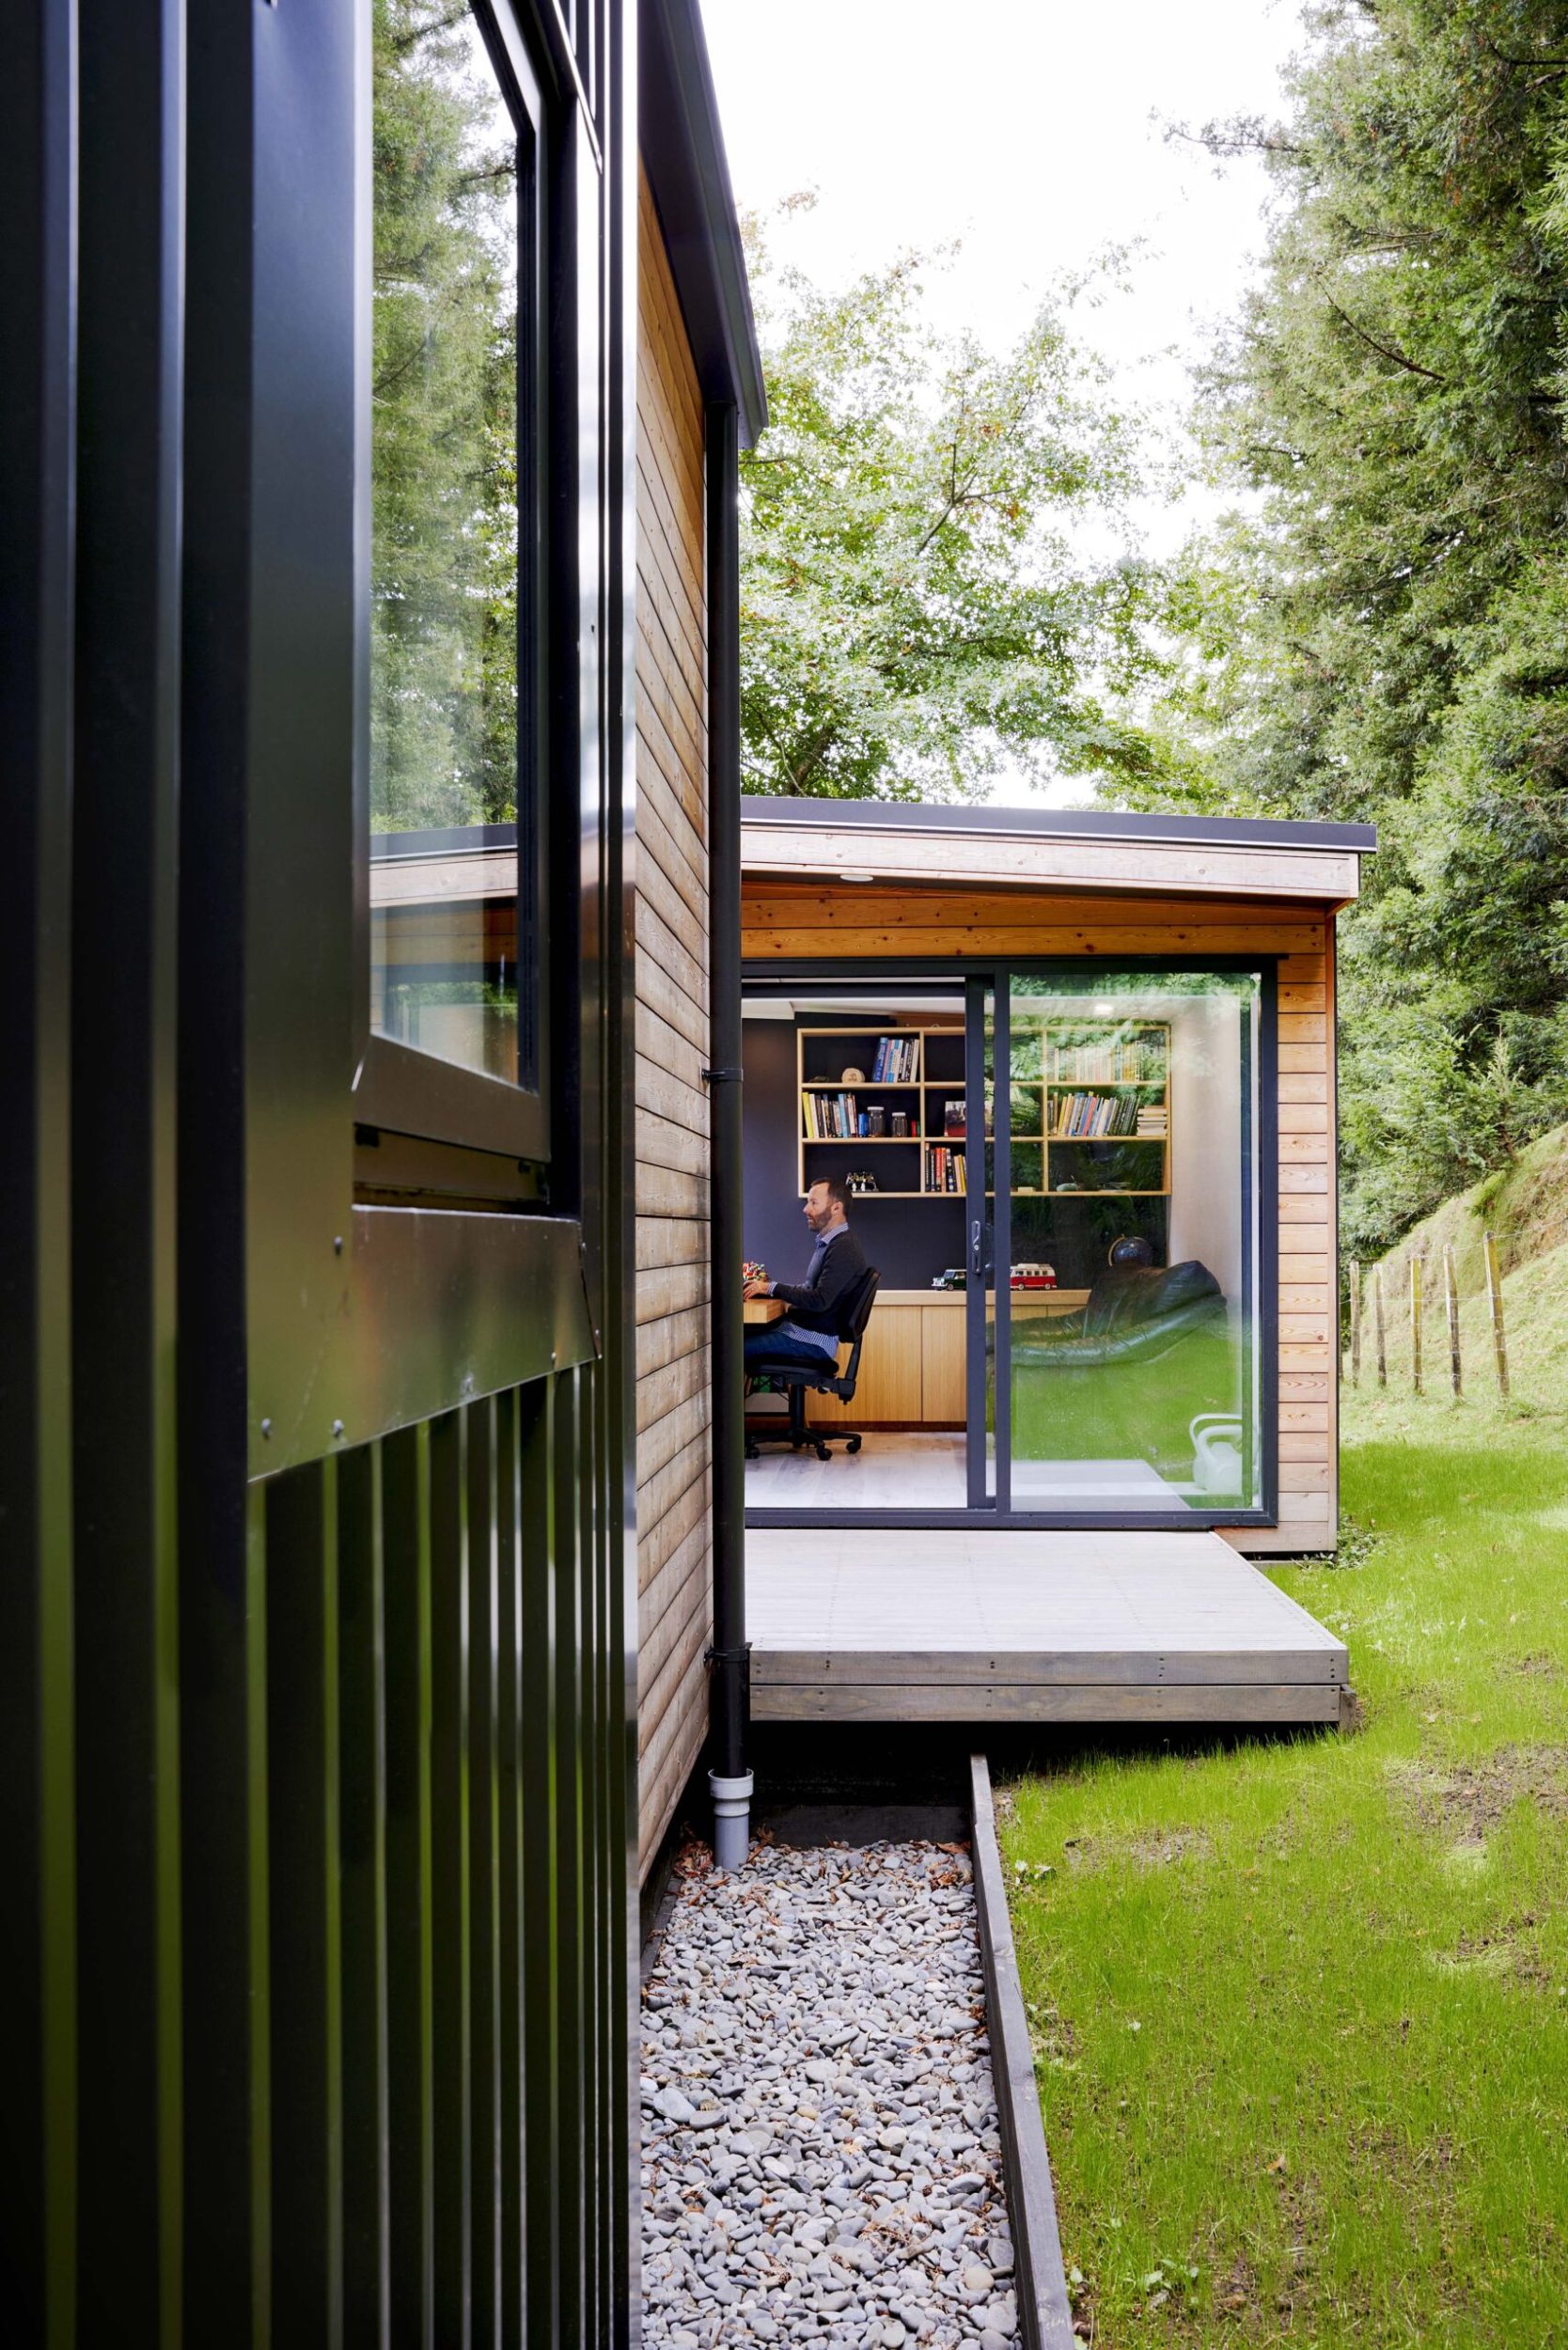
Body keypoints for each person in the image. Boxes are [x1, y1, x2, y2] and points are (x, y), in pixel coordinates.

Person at [743, 1176, 867, 1380]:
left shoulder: (844, 1247)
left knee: (729, 1350)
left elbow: (819, 1300)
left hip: (811, 1341)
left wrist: (770, 1288)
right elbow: (810, 1290)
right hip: (803, 1333)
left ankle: (722, 1413)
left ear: (836, 1208)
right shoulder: (831, 1243)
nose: (805, 1209)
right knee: (738, 1339)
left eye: (814, 1203)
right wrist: (766, 1288)